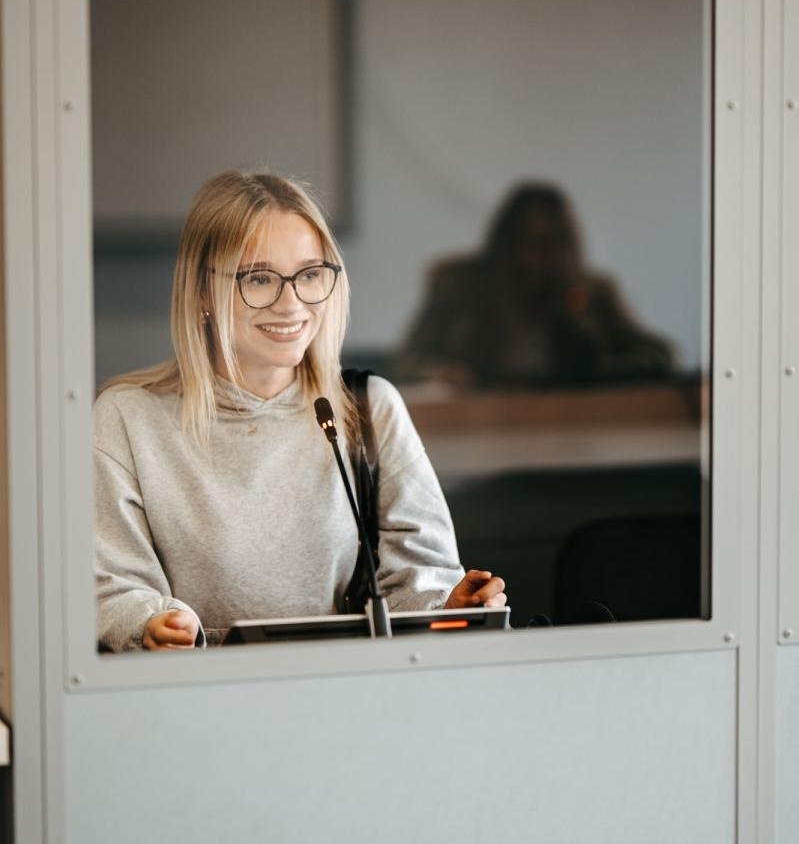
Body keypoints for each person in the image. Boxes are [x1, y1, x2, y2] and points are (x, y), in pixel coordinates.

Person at [94, 169, 505, 651]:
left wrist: (449, 607)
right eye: (260, 278)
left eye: (310, 275)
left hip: (349, 697)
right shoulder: (127, 419)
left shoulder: (368, 410)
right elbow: (108, 585)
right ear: (203, 291)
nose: (291, 304)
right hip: (194, 698)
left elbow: (418, 580)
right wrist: (149, 624)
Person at [393, 181, 675, 389]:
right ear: (501, 243)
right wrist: (442, 373)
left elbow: (657, 356)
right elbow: (403, 364)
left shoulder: (590, 294)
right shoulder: (461, 286)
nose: (530, 260)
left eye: (545, 246)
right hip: (479, 420)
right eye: (521, 242)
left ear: (563, 249)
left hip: (572, 424)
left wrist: (597, 367)